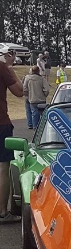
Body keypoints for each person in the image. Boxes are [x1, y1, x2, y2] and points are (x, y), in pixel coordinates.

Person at [1, 49, 24, 223]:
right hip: (0, 122)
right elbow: (19, 91)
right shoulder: (2, 67)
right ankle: (2, 211)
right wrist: (10, 67)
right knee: (3, 168)